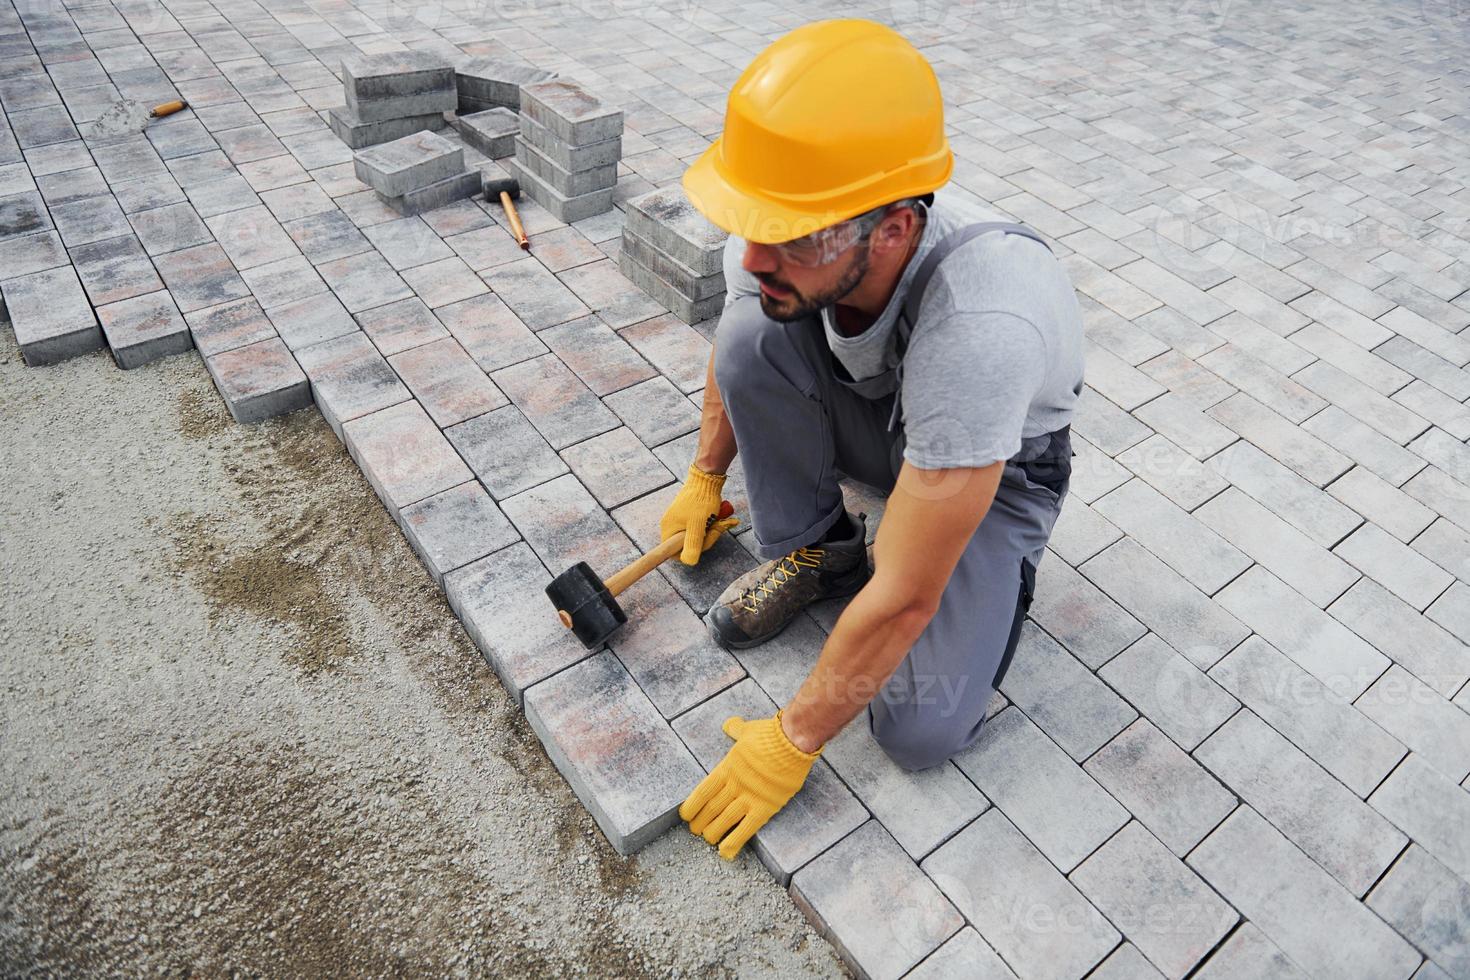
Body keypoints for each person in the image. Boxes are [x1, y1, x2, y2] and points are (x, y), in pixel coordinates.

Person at [662, 18, 1086, 861]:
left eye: (781, 236)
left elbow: (908, 598)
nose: (750, 255)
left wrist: (792, 738)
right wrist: (706, 473)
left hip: (990, 468)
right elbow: (735, 341)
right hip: (893, 417)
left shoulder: (984, 320)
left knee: (920, 728)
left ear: (892, 228)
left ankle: (1001, 575)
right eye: (752, 225)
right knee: (752, 335)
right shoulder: (776, 238)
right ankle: (825, 551)